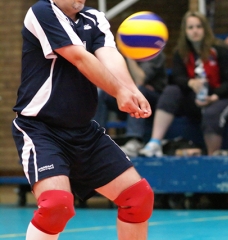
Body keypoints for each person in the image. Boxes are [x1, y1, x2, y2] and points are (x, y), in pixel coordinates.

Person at [11, 1, 154, 239]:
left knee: (137, 198)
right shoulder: (42, 12)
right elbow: (79, 57)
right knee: (56, 206)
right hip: (41, 129)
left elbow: (110, 56)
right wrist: (119, 93)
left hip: (83, 131)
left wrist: (132, 90)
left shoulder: (94, 18)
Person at [139, 11, 228, 157]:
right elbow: (177, 78)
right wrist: (190, 83)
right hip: (195, 100)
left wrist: (214, 97)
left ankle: (212, 157)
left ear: (205, 28)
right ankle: (154, 143)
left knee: (211, 114)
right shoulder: (180, 52)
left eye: (199, 27)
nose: (195, 31)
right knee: (171, 91)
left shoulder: (221, 49)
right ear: (185, 31)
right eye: (190, 27)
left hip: (221, 97)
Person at [94, 52, 168, 157]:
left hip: (152, 102)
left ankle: (134, 140)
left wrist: (129, 56)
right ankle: (96, 138)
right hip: (126, 100)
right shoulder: (114, 52)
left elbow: (140, 80)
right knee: (102, 92)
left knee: (138, 90)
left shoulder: (153, 51)